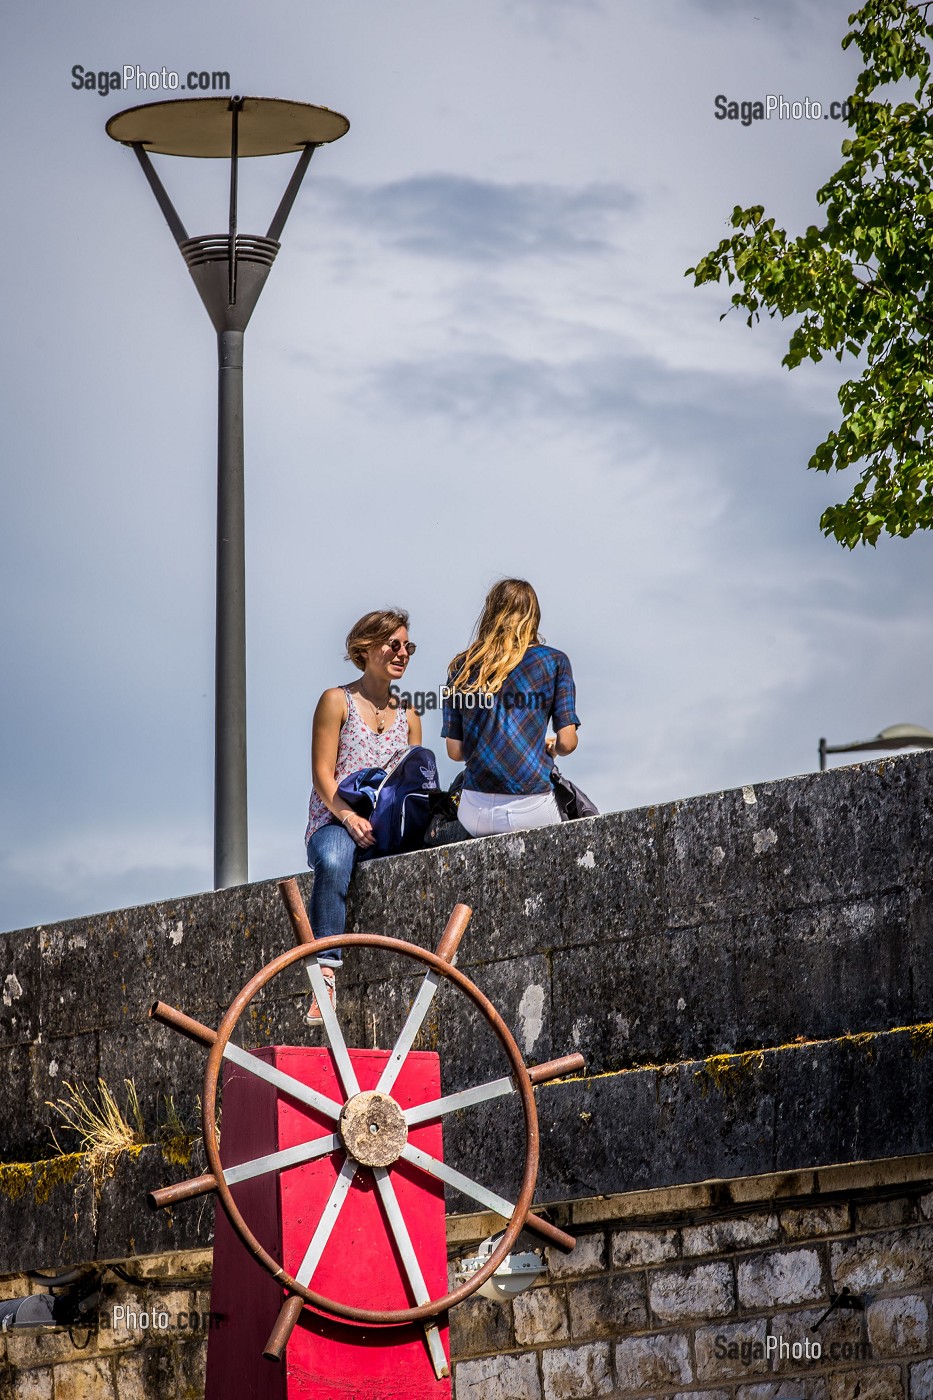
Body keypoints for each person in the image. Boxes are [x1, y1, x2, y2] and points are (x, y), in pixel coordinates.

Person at [304, 609, 421, 1019]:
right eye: (393, 644)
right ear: (366, 648)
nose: (402, 652)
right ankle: (326, 976)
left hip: (385, 824)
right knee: (335, 861)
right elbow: (322, 774)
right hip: (336, 820)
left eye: (408, 646)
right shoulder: (336, 700)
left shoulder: (409, 713)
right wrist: (349, 818)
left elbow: (413, 784)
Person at [441, 579, 579, 836]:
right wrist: (553, 749)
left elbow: (455, 751)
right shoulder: (554, 661)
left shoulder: (461, 666)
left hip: (474, 810)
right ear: (533, 615)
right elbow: (568, 743)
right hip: (531, 806)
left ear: (491, 612)